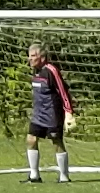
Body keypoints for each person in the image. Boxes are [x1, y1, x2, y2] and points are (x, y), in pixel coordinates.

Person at [26, 43, 75, 182]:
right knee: (31, 139)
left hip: (52, 114)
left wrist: (68, 112)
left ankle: (64, 177)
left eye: (33, 56)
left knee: (56, 142)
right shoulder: (35, 70)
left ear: (41, 57)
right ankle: (34, 176)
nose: (30, 59)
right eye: (29, 56)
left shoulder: (51, 71)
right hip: (38, 114)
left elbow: (63, 91)